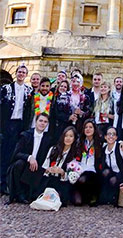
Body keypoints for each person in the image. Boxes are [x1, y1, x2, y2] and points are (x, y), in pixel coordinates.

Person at [0, 65, 33, 194]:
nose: (21, 74)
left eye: (23, 72)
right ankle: (2, 183)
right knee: (4, 154)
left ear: (26, 75)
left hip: (20, 125)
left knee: (15, 154)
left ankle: (10, 183)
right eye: (19, 72)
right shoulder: (6, 88)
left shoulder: (28, 90)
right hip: (8, 124)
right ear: (16, 73)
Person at [7, 113, 51, 203]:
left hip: (37, 167)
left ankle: (27, 194)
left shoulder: (48, 139)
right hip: (24, 164)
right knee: (19, 164)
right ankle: (19, 193)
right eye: (41, 121)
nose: (42, 123)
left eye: (45, 122)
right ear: (36, 122)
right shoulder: (25, 135)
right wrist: (29, 157)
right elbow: (16, 154)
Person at [40, 125, 78, 206]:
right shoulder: (53, 149)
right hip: (50, 179)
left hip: (62, 182)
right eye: (66, 136)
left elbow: (73, 176)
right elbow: (44, 166)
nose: (68, 138)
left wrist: (63, 173)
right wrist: (49, 170)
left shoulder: (75, 154)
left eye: (71, 136)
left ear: (74, 138)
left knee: (59, 198)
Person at [98, 126, 123, 206]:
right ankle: (107, 196)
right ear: (105, 137)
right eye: (109, 134)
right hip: (111, 173)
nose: (111, 136)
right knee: (104, 172)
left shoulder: (121, 147)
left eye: (113, 134)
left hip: (122, 174)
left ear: (116, 137)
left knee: (113, 180)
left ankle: (116, 197)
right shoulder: (104, 148)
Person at [72, 119, 102, 206]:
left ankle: (93, 195)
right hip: (80, 169)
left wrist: (121, 142)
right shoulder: (79, 142)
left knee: (84, 179)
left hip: (92, 171)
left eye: (90, 127)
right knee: (77, 203)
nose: (88, 129)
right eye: (86, 127)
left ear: (94, 129)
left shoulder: (99, 142)